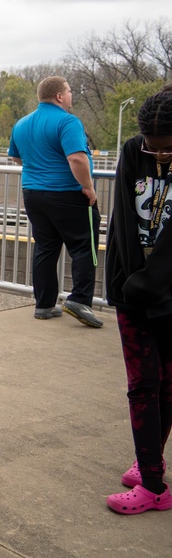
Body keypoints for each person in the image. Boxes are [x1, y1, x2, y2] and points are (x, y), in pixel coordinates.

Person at [104, 88, 172, 515]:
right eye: (150, 144)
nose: (154, 153)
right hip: (133, 291)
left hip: (167, 292)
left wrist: (153, 282)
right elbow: (124, 222)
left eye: (164, 148)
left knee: (168, 385)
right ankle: (151, 480)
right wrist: (129, 284)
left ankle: (152, 473)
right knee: (143, 386)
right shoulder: (134, 151)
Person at [8, 76, 103, 327]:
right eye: (69, 91)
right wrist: (88, 187)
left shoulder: (22, 123)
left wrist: (40, 167)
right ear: (60, 96)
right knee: (84, 246)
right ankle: (80, 300)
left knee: (45, 248)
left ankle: (44, 304)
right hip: (68, 194)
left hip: (34, 194)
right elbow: (77, 160)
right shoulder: (67, 121)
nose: (71, 96)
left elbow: (16, 157)